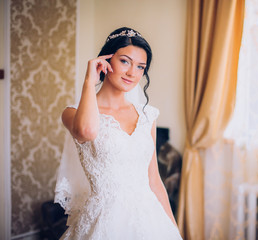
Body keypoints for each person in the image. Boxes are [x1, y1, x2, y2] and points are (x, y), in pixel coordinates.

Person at [54, 27, 183, 239]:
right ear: (106, 61)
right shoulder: (72, 113)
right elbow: (86, 131)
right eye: (125, 61)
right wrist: (89, 81)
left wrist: (173, 229)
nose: (133, 73)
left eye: (140, 67)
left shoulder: (147, 116)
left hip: (150, 220)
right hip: (103, 222)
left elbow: (153, 179)